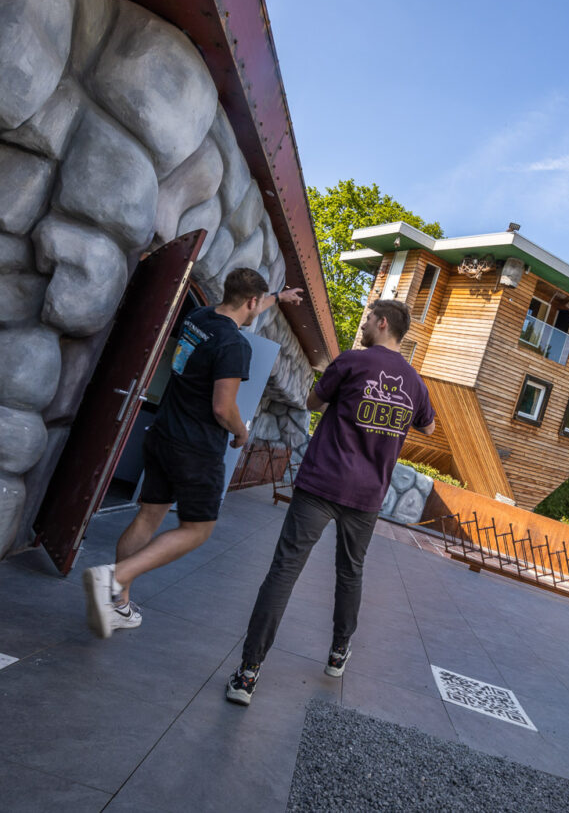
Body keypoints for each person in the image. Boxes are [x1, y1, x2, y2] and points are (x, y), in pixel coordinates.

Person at [226, 298, 435, 705]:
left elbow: (311, 403)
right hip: (367, 496)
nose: (362, 326)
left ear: (383, 322)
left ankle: (248, 674)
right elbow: (428, 427)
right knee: (350, 573)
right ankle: (339, 652)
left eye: (366, 320)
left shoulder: (352, 362)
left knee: (284, 572)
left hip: (322, 484)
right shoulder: (414, 383)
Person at [82, 267, 303, 639]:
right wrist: (241, 431)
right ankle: (113, 580)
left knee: (148, 517)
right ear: (251, 302)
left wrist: (278, 298)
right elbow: (223, 407)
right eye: (258, 303)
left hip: (164, 435)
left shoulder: (198, 317)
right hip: (196, 450)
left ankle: (117, 604)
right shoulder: (235, 345)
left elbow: (250, 304)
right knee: (197, 529)